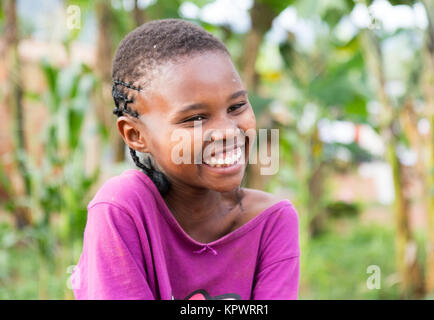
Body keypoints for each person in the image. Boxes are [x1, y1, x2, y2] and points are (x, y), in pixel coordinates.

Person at [71, 18, 300, 300]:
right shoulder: (122, 209)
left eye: (237, 106)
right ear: (135, 134)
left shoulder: (272, 221)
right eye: (195, 118)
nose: (228, 132)